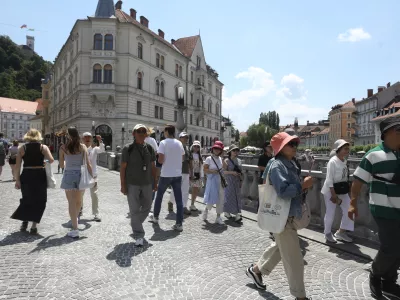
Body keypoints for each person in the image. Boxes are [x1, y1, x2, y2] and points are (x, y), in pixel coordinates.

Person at [246, 132, 313, 300]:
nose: (295, 147)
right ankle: (301, 297)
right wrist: (302, 185)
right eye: (291, 144)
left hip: (286, 215)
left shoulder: (289, 163)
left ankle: (256, 270)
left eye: (295, 144)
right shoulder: (277, 166)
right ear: (281, 148)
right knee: (295, 261)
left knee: (280, 247)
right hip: (283, 217)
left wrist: (302, 186)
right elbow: (283, 191)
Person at [349, 116, 400, 299]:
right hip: (383, 208)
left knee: (398, 248)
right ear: (387, 134)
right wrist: (353, 203)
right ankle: (375, 274)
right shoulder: (373, 155)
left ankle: (389, 281)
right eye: (398, 130)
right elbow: (357, 181)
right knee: (390, 247)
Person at [11, 129, 54, 234]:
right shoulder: (43, 147)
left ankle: (24, 221)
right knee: (40, 200)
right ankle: (34, 226)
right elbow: (51, 160)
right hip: (39, 174)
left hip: (27, 175)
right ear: (38, 136)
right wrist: (44, 162)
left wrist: (17, 180)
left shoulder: (22, 148)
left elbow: (17, 166)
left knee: (27, 198)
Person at [120, 124, 157, 246]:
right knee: (134, 210)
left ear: (146, 134)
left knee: (147, 207)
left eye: (143, 131)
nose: (141, 133)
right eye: (138, 131)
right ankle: (139, 234)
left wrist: (155, 182)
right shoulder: (128, 148)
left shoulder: (150, 148)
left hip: (147, 183)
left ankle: (135, 223)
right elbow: (123, 168)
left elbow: (153, 167)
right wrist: (123, 185)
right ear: (133, 134)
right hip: (132, 184)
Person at [150, 125, 185, 232]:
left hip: (166, 174)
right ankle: (179, 224)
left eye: (164, 131)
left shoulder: (163, 143)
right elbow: (183, 158)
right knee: (179, 200)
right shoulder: (179, 143)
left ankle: (155, 217)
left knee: (159, 196)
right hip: (177, 174)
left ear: (166, 132)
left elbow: (160, 160)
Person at [59, 127, 93, 238]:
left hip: (69, 175)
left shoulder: (63, 147)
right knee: (78, 202)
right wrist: (93, 178)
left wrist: (66, 161)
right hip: (80, 175)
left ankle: (75, 228)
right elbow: (88, 164)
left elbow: (61, 165)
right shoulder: (83, 147)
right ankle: (75, 221)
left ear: (68, 136)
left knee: (71, 202)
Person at [321, 139, 354, 243]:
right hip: (331, 191)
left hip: (342, 190)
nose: (347, 151)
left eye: (348, 149)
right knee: (330, 213)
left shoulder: (344, 161)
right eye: (345, 149)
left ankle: (341, 232)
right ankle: (327, 233)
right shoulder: (333, 161)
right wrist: (333, 195)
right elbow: (329, 179)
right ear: (338, 149)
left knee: (350, 210)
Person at [81, 132, 105, 222]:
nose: (87, 139)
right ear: (82, 139)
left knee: (94, 194)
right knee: (80, 194)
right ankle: (80, 209)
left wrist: (100, 141)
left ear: (91, 139)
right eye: (85, 137)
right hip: (82, 174)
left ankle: (96, 213)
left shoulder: (94, 149)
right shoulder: (79, 149)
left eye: (89, 137)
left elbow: (102, 150)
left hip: (93, 175)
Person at [169, 132, 192, 215]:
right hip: (177, 172)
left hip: (186, 171)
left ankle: (184, 206)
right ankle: (171, 202)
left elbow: (190, 161)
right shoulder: (176, 147)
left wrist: (191, 172)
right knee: (175, 190)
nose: (185, 139)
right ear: (180, 138)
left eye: (186, 137)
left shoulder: (188, 149)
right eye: (183, 137)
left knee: (185, 191)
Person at [202, 141, 226, 225]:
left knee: (220, 198)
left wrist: (223, 159)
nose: (217, 150)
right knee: (211, 198)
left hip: (220, 181)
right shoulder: (209, 159)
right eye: (215, 148)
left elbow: (224, 168)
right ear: (213, 149)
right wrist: (212, 171)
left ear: (221, 150)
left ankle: (218, 216)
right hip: (212, 181)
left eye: (219, 149)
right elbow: (204, 170)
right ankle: (206, 210)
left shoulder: (221, 159)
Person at [223, 144, 243, 222]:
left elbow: (241, 172)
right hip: (229, 181)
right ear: (230, 152)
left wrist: (241, 180)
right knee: (229, 196)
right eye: (234, 150)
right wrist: (232, 172)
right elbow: (223, 172)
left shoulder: (239, 161)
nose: (235, 152)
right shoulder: (226, 161)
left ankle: (236, 213)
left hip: (237, 181)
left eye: (237, 150)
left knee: (237, 196)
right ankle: (233, 213)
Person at [189, 140, 203, 211]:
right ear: (192, 146)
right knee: (194, 189)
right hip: (192, 173)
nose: (196, 148)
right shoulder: (190, 154)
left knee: (196, 190)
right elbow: (190, 165)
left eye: (198, 147)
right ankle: (192, 204)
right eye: (195, 146)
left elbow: (201, 166)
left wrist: (201, 175)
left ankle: (192, 203)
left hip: (198, 173)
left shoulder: (199, 155)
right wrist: (191, 174)